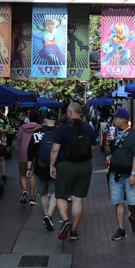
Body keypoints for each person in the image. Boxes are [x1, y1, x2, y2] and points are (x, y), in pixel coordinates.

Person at [49, 102, 94, 241]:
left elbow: (55, 149)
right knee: (77, 198)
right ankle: (74, 231)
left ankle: (65, 220)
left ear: (69, 113)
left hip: (65, 165)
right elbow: (93, 149)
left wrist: (52, 165)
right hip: (84, 166)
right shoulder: (89, 128)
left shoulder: (62, 129)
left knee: (61, 196)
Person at [103, 108, 135, 241]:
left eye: (116, 118)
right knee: (118, 201)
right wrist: (108, 141)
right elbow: (108, 152)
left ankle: (132, 216)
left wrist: (133, 173)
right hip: (115, 173)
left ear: (123, 120)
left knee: (132, 203)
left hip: (128, 173)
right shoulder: (112, 132)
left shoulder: (134, 134)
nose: (114, 120)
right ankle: (121, 229)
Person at [27, 115, 58, 231]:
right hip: (54, 167)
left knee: (43, 193)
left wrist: (29, 169)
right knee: (54, 192)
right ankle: (49, 215)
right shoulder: (58, 133)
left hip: (40, 167)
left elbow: (30, 152)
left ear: (45, 121)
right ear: (55, 122)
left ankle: (46, 214)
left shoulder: (37, 133)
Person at [15, 111, 41, 205]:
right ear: (38, 118)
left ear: (29, 118)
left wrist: (17, 154)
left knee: (22, 174)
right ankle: (32, 197)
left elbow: (18, 142)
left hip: (22, 154)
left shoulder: (22, 128)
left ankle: (24, 190)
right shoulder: (40, 128)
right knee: (32, 175)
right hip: (34, 154)